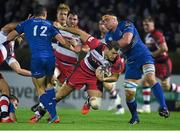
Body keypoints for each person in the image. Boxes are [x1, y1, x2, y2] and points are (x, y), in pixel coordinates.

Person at [2, 5, 71, 124]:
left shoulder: (27, 25)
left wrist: (22, 30)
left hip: (40, 59)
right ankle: (50, 114)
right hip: (51, 59)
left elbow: (10, 36)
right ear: (45, 15)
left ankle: (51, 115)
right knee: (49, 85)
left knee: (40, 88)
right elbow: (63, 41)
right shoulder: (50, 24)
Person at [102, 13, 169, 125]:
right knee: (129, 93)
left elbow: (127, 40)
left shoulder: (126, 24)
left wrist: (110, 47)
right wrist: (110, 58)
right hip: (131, 62)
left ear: (114, 19)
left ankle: (163, 107)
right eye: (103, 21)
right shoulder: (107, 36)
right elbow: (113, 54)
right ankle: (135, 117)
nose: (104, 22)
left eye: (106, 20)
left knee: (150, 77)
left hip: (144, 55)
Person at [137, 16, 180, 113]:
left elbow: (164, 48)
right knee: (145, 81)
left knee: (166, 86)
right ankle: (146, 107)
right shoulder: (147, 36)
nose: (145, 27)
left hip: (163, 63)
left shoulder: (157, 34)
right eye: (144, 25)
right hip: (154, 63)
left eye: (147, 25)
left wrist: (151, 55)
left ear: (153, 24)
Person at [0, 24, 31, 123]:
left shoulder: (11, 51)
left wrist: (35, 74)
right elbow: (8, 26)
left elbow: (18, 70)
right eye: (22, 34)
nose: (22, 37)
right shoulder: (4, 36)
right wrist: (25, 23)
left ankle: (4, 117)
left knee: (5, 89)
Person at [98, 20, 125, 115]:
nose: (102, 26)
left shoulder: (112, 37)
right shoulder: (100, 38)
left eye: (103, 24)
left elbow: (118, 50)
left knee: (106, 83)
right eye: (100, 24)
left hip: (114, 63)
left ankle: (118, 103)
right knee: (107, 85)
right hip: (106, 63)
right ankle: (119, 106)